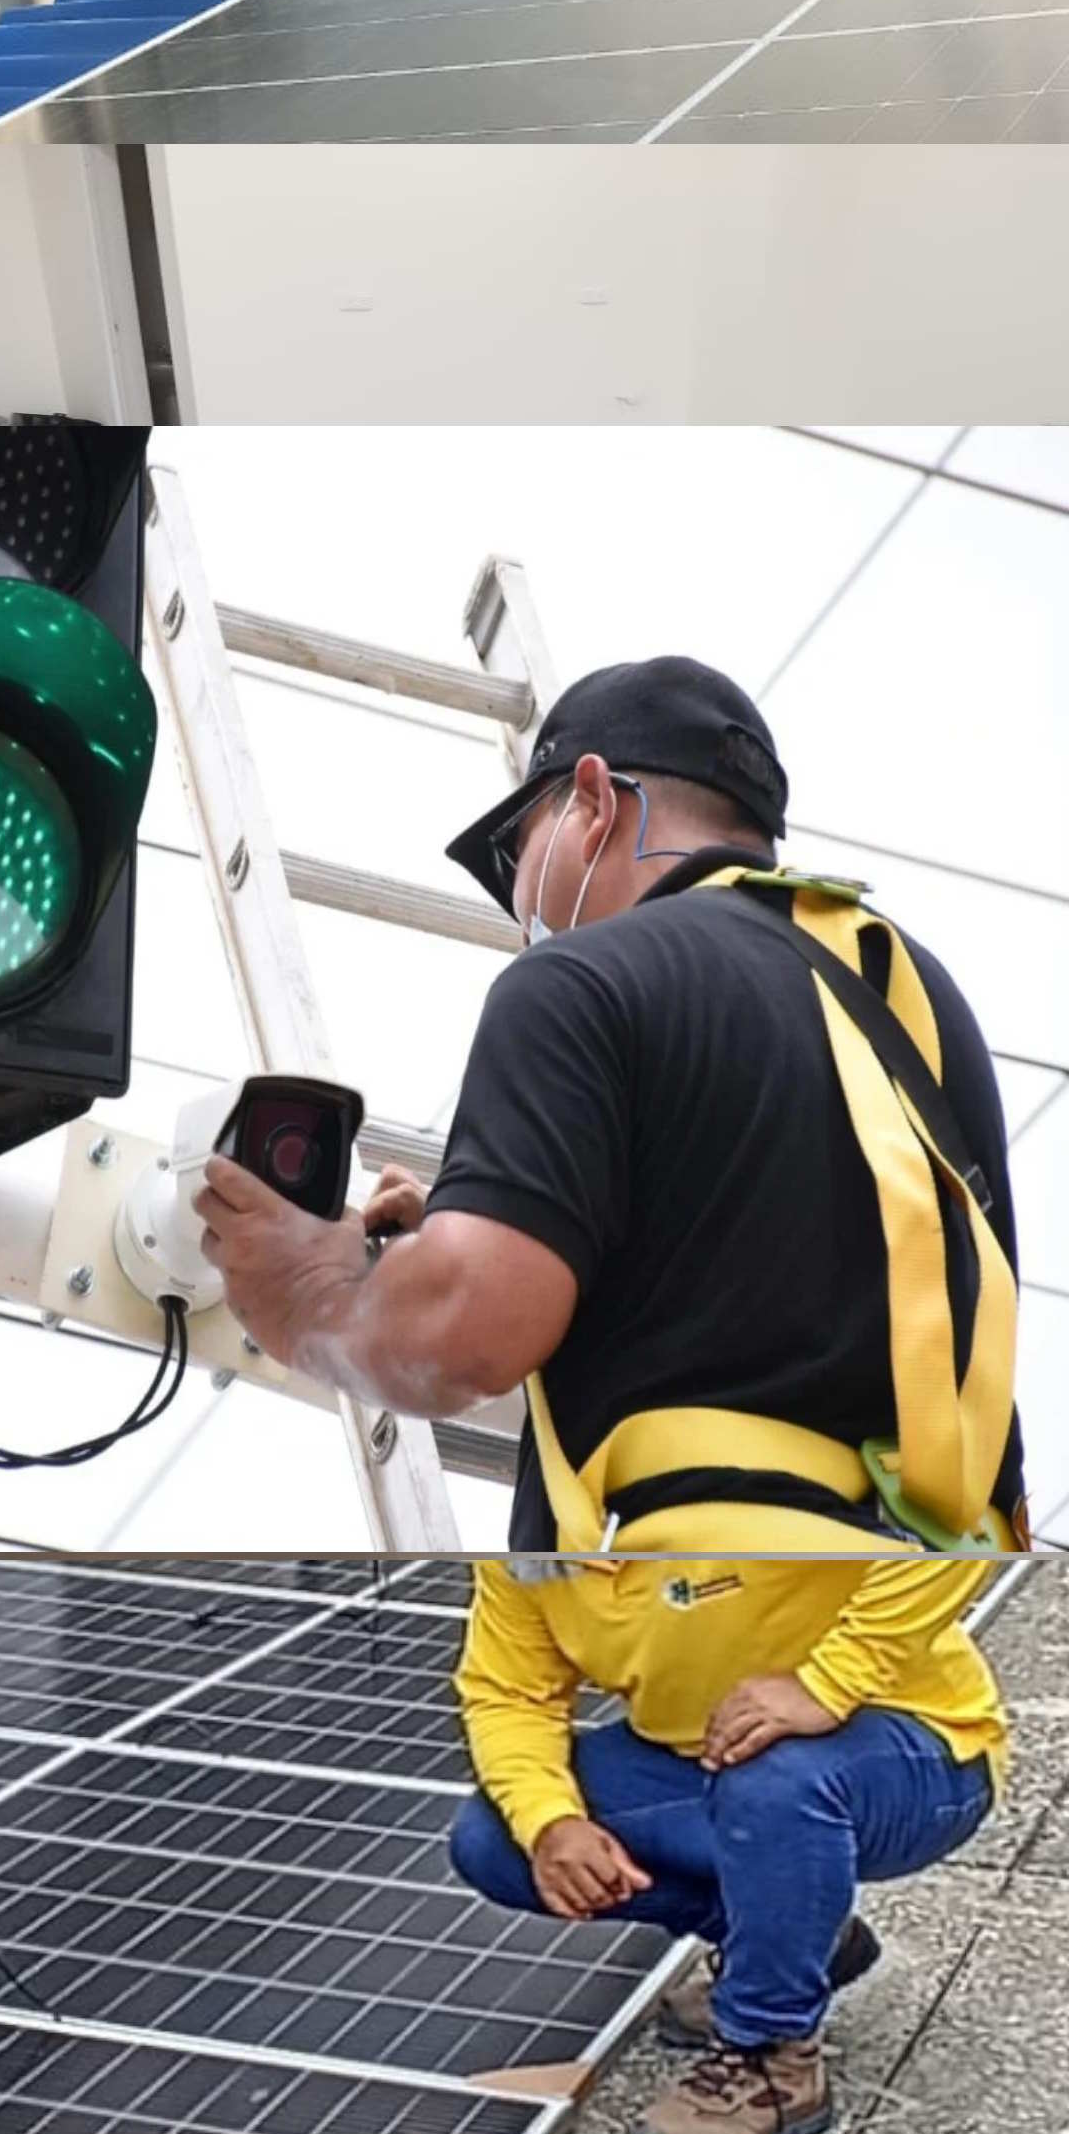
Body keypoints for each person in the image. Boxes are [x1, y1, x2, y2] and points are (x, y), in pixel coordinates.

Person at [192, 655, 1027, 1561]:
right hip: (950, 1614)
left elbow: (470, 1333)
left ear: (593, 802)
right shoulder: (913, 1004)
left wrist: (309, 1294)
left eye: (518, 854)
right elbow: (780, 1277)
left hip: (711, 1612)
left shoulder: (575, 981)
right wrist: (534, 1222)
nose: (522, 915)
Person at [448, 1546, 1006, 2134]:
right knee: (498, 1839)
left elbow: (959, 1525)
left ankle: (771, 2056)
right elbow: (509, 1693)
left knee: (774, 1782)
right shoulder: (530, 1538)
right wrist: (550, 1820)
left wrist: (826, 1684)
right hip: (714, 1759)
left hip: (915, 1751)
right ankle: (792, 1945)